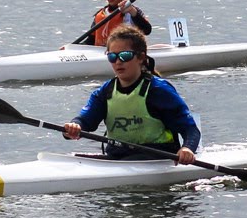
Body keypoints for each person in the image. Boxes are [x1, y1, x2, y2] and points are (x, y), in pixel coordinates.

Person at [61, 27, 199, 163]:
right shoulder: (105, 92)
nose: (118, 62)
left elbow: (190, 129)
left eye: (125, 56)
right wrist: (74, 127)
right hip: (117, 157)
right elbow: (85, 121)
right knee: (73, 158)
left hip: (157, 158)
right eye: (112, 57)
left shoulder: (158, 90)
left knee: (135, 159)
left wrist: (187, 148)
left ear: (141, 57)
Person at [71, 0, 153, 47]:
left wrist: (133, 12)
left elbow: (147, 30)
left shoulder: (131, 12)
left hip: (124, 55)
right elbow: (90, 41)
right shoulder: (100, 14)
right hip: (100, 55)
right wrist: (73, 48)